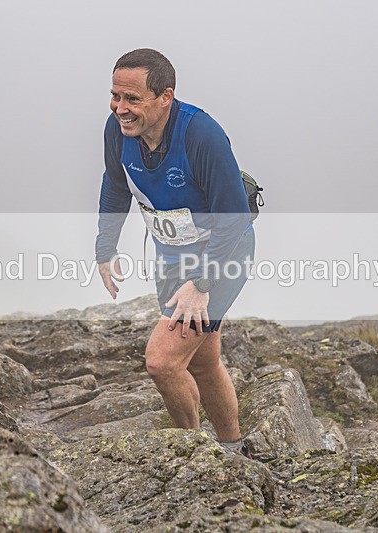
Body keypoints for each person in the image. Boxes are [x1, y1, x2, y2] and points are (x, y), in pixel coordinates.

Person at [95, 49, 255, 457]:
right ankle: (233, 450)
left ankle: (198, 455)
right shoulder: (118, 132)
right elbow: (115, 187)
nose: (120, 108)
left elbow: (234, 217)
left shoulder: (201, 135)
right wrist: (105, 248)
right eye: (115, 96)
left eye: (132, 99)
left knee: (163, 361)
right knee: (201, 362)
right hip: (171, 255)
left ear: (165, 97)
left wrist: (202, 284)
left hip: (224, 251)